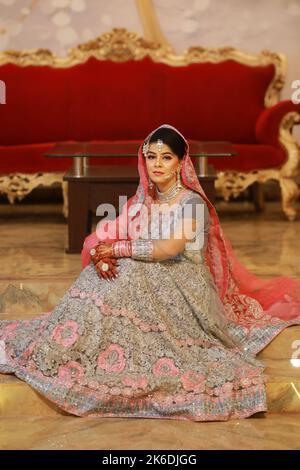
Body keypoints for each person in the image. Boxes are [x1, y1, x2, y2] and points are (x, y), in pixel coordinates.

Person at [0, 124, 300, 422]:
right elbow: (107, 232)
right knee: (106, 275)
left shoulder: (191, 202)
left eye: (166, 157)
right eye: (151, 156)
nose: (157, 164)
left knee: (126, 272)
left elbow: (169, 248)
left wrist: (117, 251)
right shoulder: (145, 199)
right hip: (149, 273)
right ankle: (64, 349)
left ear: (181, 163)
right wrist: (100, 254)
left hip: (184, 285)